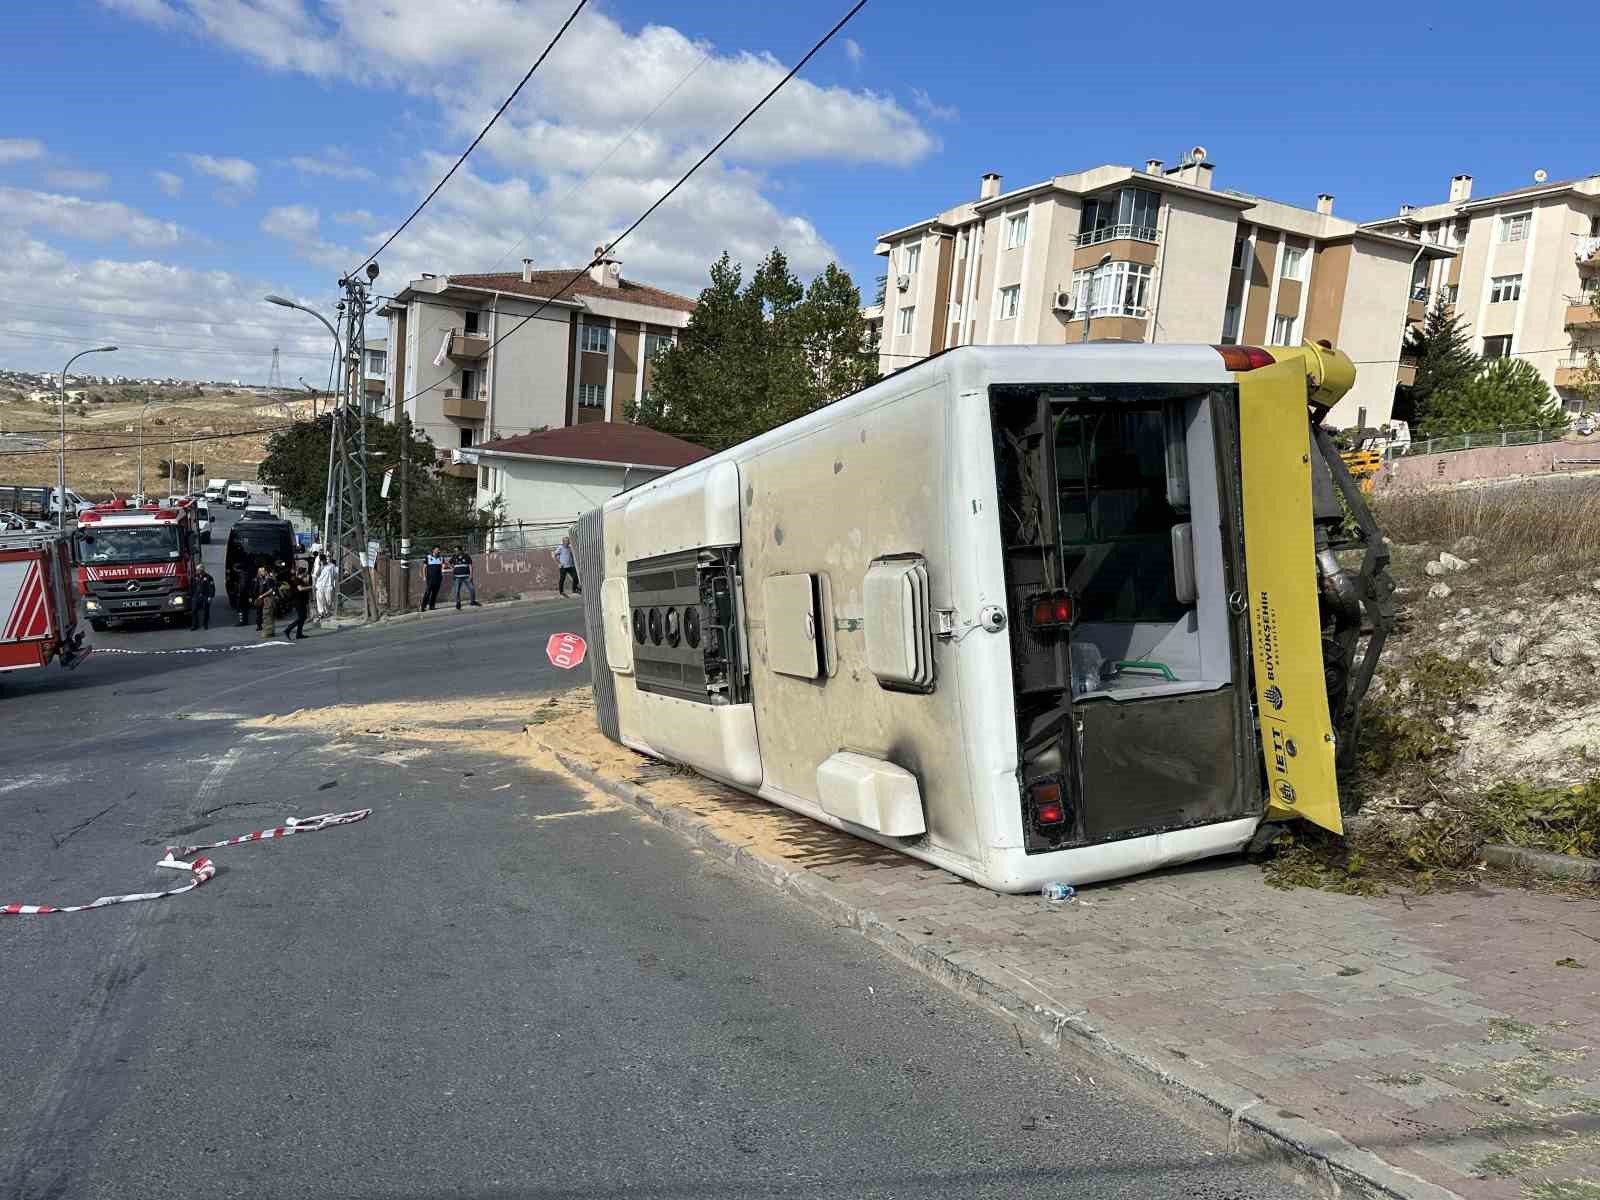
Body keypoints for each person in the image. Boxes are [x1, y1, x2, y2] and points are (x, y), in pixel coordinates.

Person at [282, 569, 312, 640]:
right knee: (302, 617)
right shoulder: (297, 580)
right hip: (298, 601)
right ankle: (288, 629)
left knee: (303, 617)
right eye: (306, 573)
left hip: (301, 601)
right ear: (303, 573)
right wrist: (312, 587)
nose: (306, 574)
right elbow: (300, 589)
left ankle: (299, 634)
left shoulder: (299, 579)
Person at [450, 545, 479, 609]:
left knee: (472, 589)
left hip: (466, 576)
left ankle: (472, 601)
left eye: (457, 550)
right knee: (457, 590)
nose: (456, 552)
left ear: (460, 550)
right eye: (455, 551)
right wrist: (452, 568)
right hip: (457, 577)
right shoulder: (454, 557)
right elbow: (450, 563)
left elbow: (470, 566)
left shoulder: (466, 556)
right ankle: (458, 603)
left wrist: (471, 575)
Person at [253, 565, 276, 638]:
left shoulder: (269, 579)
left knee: (267, 616)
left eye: (263, 571)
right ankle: (270, 632)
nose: (262, 572)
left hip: (268, 600)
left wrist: (262, 596)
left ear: (266, 572)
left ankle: (268, 633)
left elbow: (271, 590)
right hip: (266, 600)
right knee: (267, 616)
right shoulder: (264, 579)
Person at [314, 553, 337, 622]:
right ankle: (321, 612)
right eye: (320, 561)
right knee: (320, 600)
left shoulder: (331, 566)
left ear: (325, 560)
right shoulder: (318, 566)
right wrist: (320, 567)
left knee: (329, 600)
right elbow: (316, 575)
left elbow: (334, 575)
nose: (321, 562)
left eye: (322, 560)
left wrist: (333, 585)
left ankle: (328, 611)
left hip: (328, 586)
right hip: (320, 586)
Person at [421, 545, 444, 611]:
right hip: (430, 578)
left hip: (438, 578)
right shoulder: (428, 557)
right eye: (437, 550)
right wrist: (424, 576)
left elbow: (443, 566)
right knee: (427, 592)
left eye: (439, 550)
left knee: (435, 593)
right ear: (433, 550)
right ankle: (423, 606)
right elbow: (424, 568)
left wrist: (444, 568)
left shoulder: (441, 558)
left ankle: (432, 606)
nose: (438, 551)